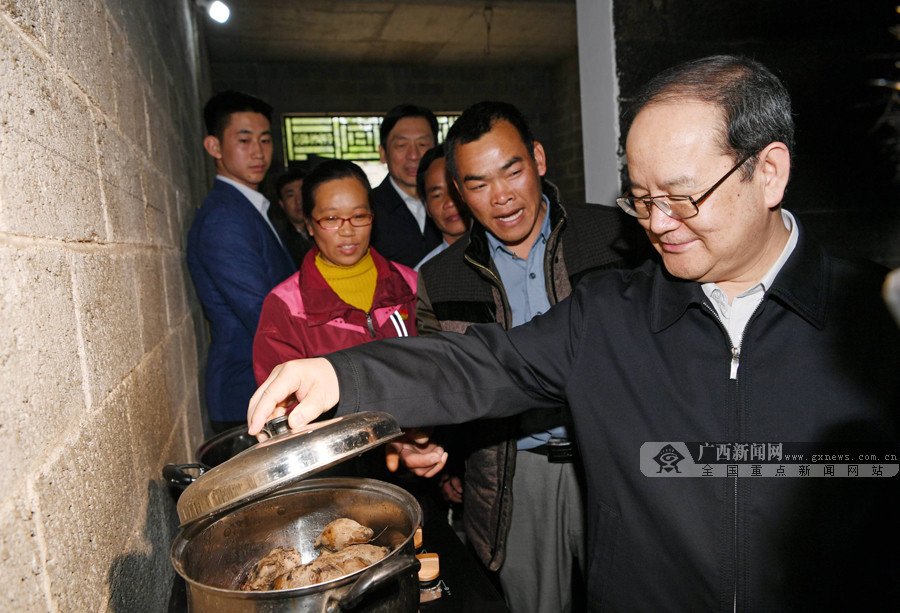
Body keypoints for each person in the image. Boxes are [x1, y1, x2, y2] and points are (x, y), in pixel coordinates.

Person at [247, 56, 900, 611]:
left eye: (680, 197)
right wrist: (340, 374)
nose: (657, 223)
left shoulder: (876, 321)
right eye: (640, 199)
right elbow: (481, 362)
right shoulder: (609, 315)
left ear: (769, 172)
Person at [410, 101, 646, 613]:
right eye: (478, 184)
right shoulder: (442, 277)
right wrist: (423, 437)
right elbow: (440, 382)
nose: (501, 196)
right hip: (515, 477)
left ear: (538, 159)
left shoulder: (616, 237)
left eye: (512, 171)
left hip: (616, 460)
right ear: (459, 191)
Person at [252, 159, 417, 385]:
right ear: (309, 224)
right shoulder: (287, 307)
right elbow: (282, 397)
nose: (347, 231)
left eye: (359, 216)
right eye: (331, 219)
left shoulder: (410, 285)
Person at [186, 90, 295, 432]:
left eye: (265, 140)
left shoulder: (246, 208)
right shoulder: (225, 218)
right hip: (247, 392)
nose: (259, 152)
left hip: (262, 388)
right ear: (214, 147)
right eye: (244, 140)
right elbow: (262, 314)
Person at [370, 104, 443, 267]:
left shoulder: (456, 204)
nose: (414, 155)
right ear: (383, 153)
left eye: (422, 144)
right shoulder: (367, 210)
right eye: (401, 145)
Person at [413, 145, 470, 271]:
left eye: (455, 189)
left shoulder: (508, 252)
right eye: (437, 195)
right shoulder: (423, 275)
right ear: (427, 207)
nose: (449, 202)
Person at [273, 167, 314, 268]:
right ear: (282, 204)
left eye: (302, 193)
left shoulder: (322, 229)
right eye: (290, 195)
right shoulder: (278, 241)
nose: (299, 201)